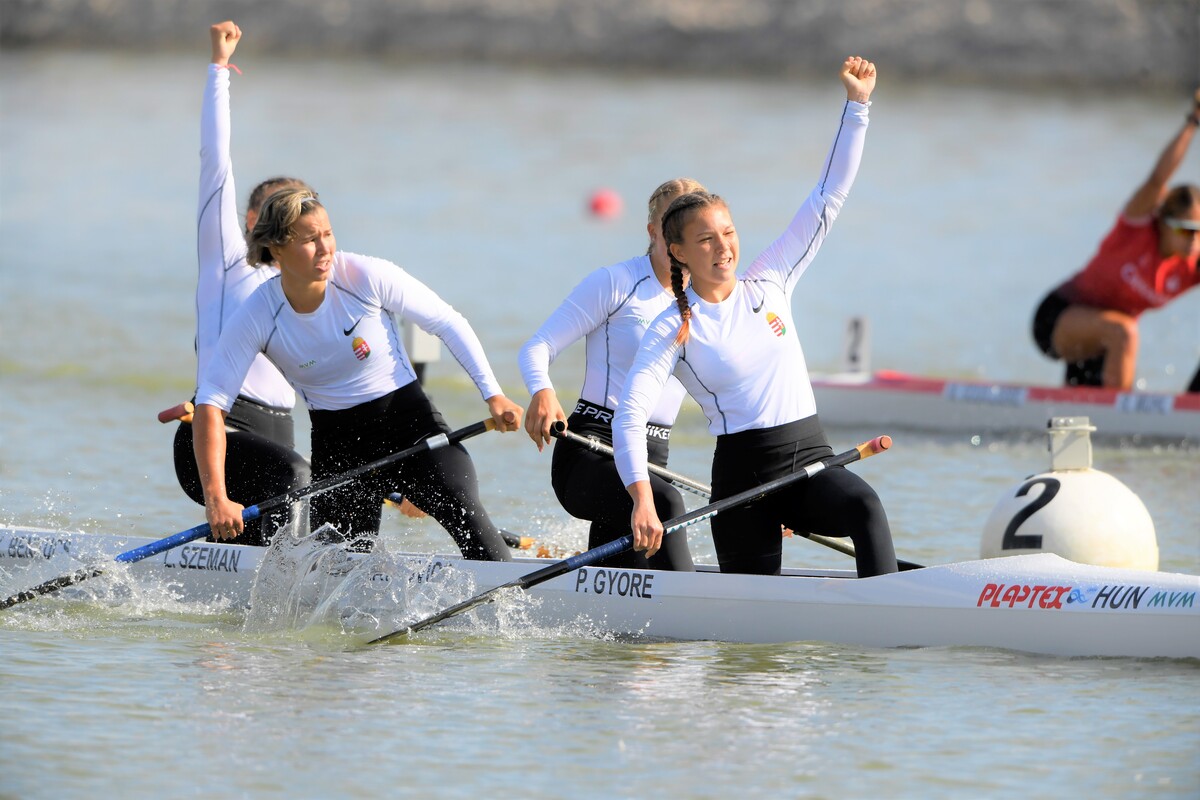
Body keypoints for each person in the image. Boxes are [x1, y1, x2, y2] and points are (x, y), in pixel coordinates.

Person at [613, 56, 898, 579]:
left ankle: (893, 626)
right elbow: (628, 418)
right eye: (705, 239)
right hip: (743, 483)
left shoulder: (770, 282)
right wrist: (642, 501)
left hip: (811, 461)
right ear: (677, 251)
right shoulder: (672, 326)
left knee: (863, 506)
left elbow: (827, 199)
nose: (724, 247)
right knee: (745, 655)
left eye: (728, 232)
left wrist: (859, 106)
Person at [192, 187, 523, 560]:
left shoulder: (364, 276)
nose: (325, 248)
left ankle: (509, 604)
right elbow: (210, 404)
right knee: (337, 576)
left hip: (413, 430)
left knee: (473, 526)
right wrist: (217, 498)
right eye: (309, 240)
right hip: (340, 451)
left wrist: (493, 394)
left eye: (328, 234)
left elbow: (448, 323)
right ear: (277, 248)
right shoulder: (258, 313)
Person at [171, 20, 312, 547]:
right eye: (281, 212)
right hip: (214, 438)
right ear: (252, 219)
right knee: (297, 478)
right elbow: (216, 163)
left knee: (328, 498)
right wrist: (218, 71)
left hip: (278, 444)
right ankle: (284, 599)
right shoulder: (229, 261)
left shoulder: (311, 288)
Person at [519, 179, 705, 572]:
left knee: (621, 585)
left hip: (653, 458)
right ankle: (699, 626)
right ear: (654, 231)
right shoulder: (616, 283)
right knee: (668, 503)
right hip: (591, 448)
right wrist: (542, 391)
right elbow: (537, 348)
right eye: (673, 220)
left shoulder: (708, 303)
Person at [1031, 89, 1200, 390]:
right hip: (1059, 319)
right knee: (1124, 331)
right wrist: (1193, 123)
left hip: (1102, 350)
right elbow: (1157, 180)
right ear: (1162, 223)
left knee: (1077, 428)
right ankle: (1123, 420)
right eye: (1185, 230)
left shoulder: (1192, 265)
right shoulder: (1137, 229)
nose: (1193, 241)